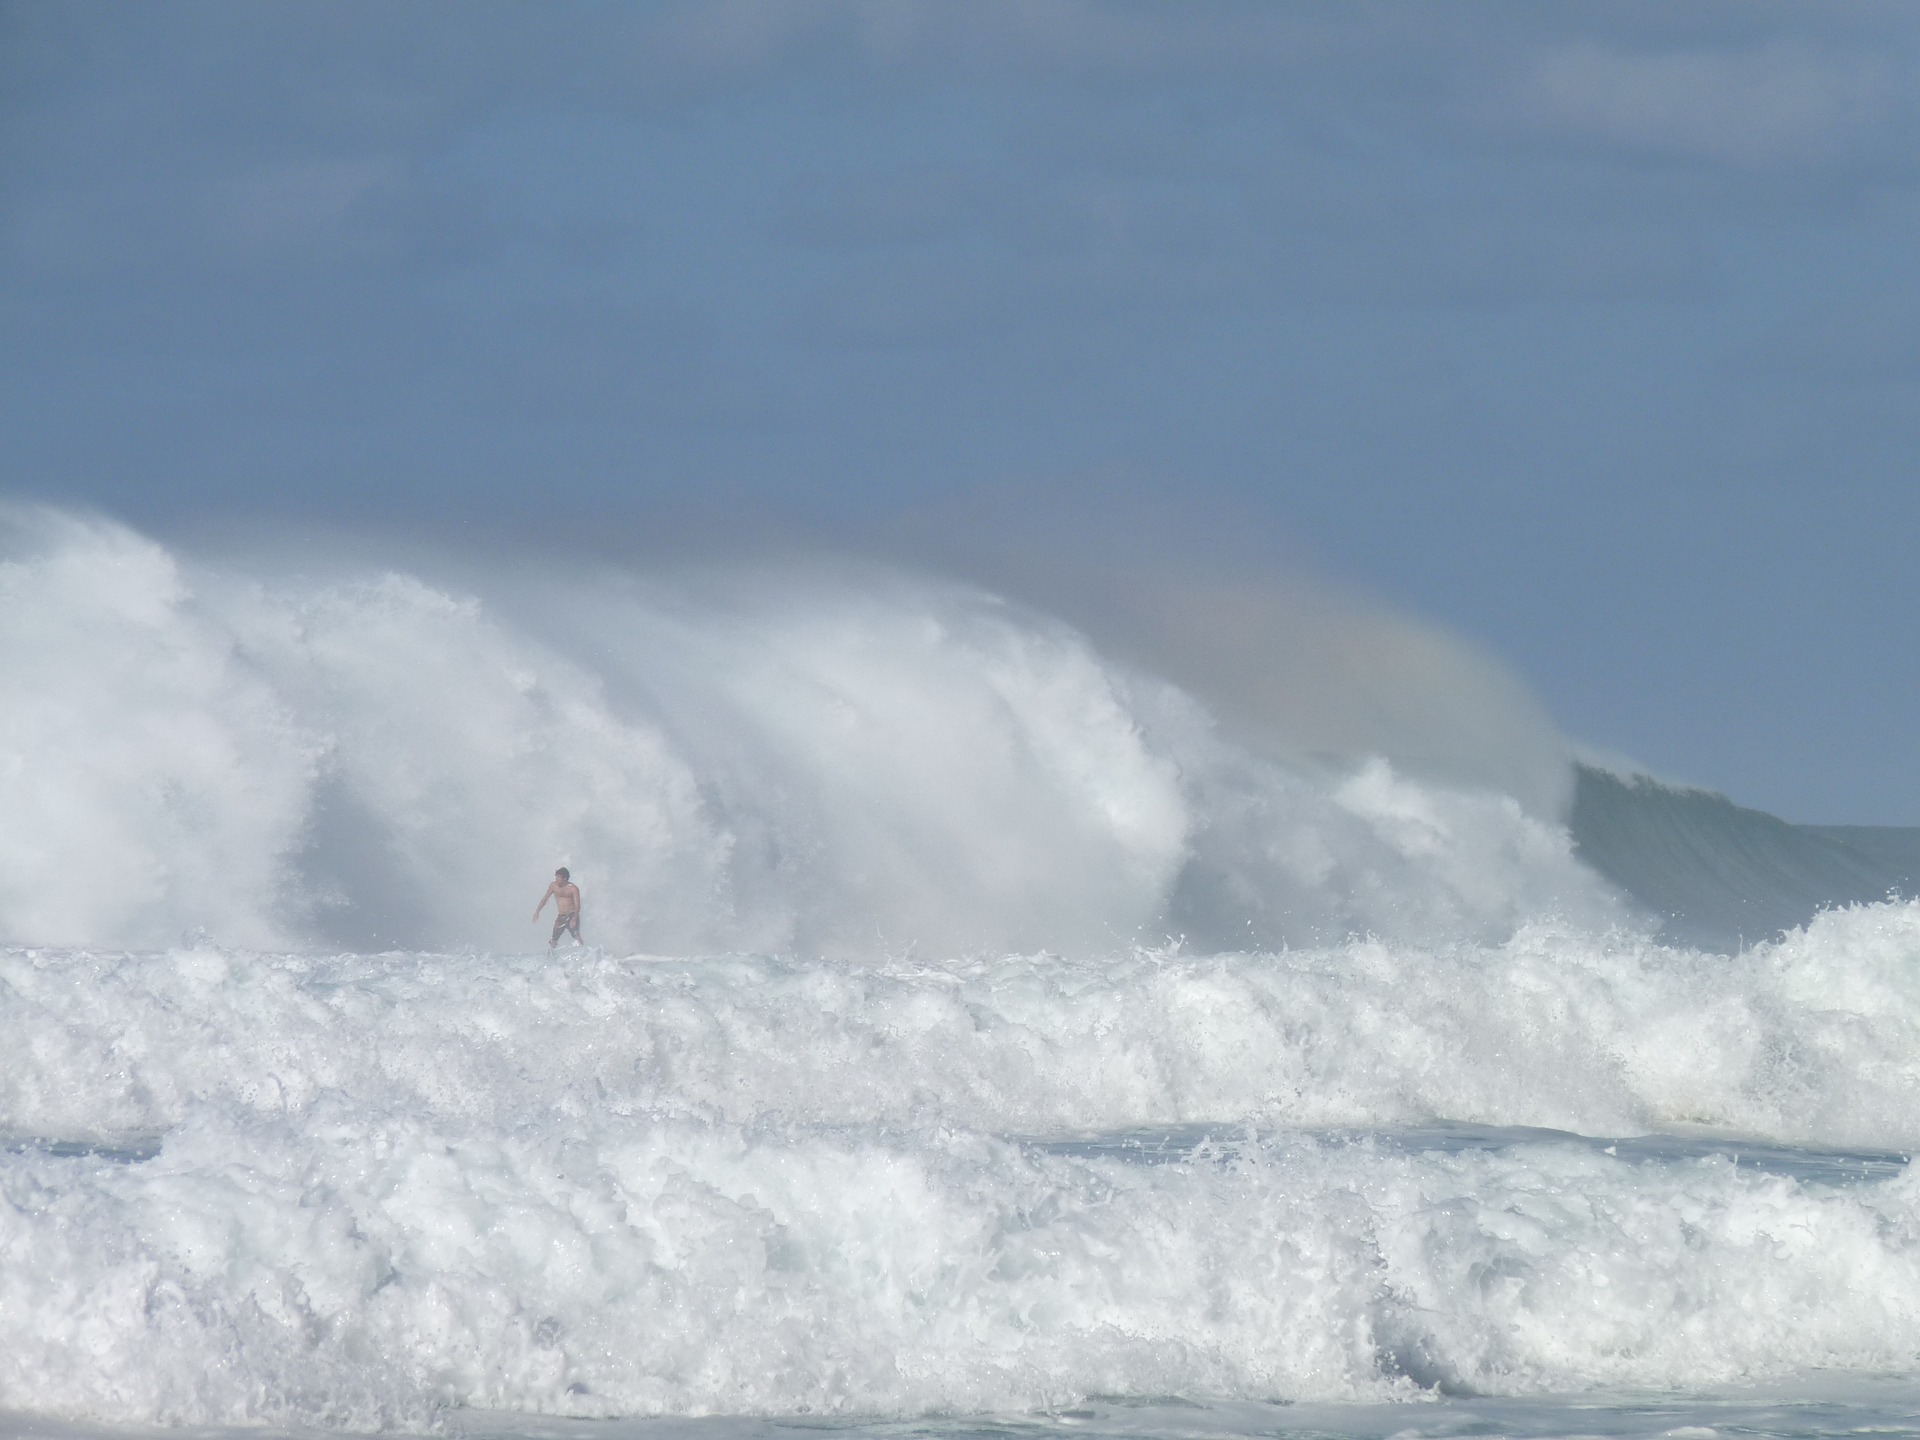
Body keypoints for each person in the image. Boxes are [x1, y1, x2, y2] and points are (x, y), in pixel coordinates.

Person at [533, 866, 583, 947]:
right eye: (556, 877)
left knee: (576, 935)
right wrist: (537, 911)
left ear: (565, 878)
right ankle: (551, 957)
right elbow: (545, 898)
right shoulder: (553, 886)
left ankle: (583, 952)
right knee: (554, 938)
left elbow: (577, 905)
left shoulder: (573, 888)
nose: (556, 879)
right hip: (561, 916)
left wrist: (574, 918)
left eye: (558, 877)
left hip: (572, 914)